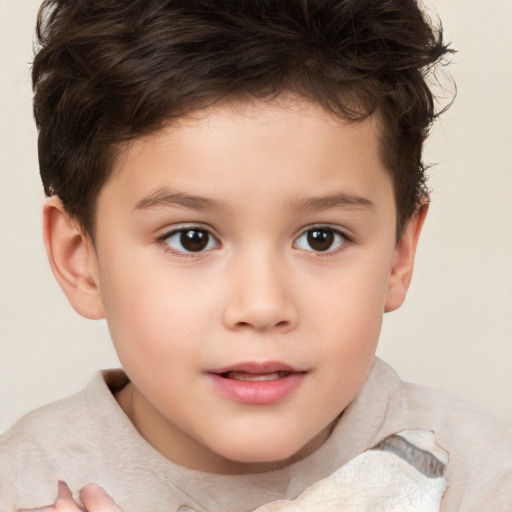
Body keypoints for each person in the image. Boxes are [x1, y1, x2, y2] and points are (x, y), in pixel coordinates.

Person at [0, 0, 511, 511]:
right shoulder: (22, 485)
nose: (263, 306)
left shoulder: (480, 479)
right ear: (79, 259)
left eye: (321, 238)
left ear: (399, 254)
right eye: (191, 238)